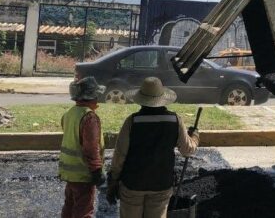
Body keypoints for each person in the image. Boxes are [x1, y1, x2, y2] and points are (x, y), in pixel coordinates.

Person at [108, 77, 200, 218]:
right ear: (162, 99)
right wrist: (194, 137)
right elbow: (187, 150)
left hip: (133, 183)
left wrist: (113, 179)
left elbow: (120, 154)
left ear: (141, 99)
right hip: (161, 184)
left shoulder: (132, 121)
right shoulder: (175, 120)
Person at [59, 76, 106, 218]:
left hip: (69, 172)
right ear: (91, 96)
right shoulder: (89, 117)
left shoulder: (69, 114)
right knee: (83, 210)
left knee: (70, 206)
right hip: (83, 174)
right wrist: (97, 172)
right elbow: (91, 149)